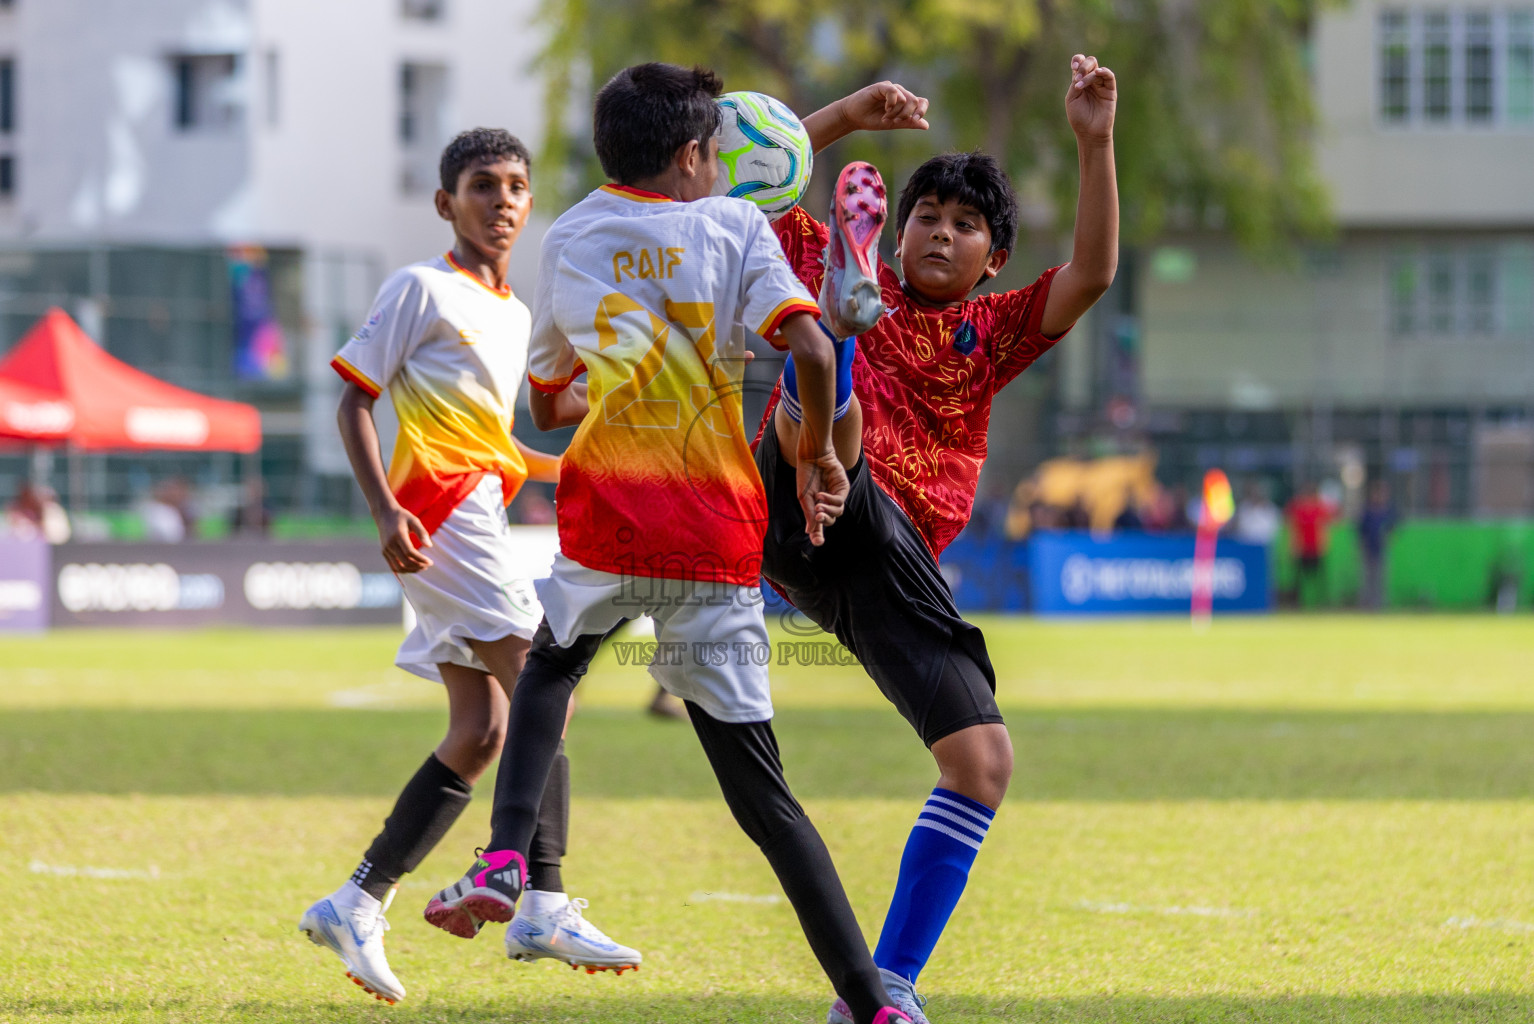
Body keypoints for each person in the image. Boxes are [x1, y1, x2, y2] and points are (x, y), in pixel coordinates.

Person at [422, 63, 909, 1024]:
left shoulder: (573, 233)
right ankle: (872, 1002)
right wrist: (817, 461)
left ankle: (509, 851)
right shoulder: (734, 226)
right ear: (693, 155)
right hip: (712, 527)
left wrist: (623, 370)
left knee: (552, 670)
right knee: (765, 799)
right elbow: (811, 350)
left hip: (608, 511)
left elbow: (552, 399)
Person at [753, 57, 1118, 1022]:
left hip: (884, 566)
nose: (942, 234)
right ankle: (828, 340)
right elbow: (757, 173)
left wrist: (1095, 141)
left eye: (965, 226)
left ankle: (885, 990)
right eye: (925, 218)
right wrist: (848, 114)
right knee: (833, 391)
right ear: (895, 229)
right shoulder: (838, 241)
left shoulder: (994, 333)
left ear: (992, 258)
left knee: (982, 761)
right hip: (799, 497)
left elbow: (1091, 273)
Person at [299, 128, 637, 1005]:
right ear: (447, 203)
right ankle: (542, 897)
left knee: (485, 730)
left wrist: (608, 405)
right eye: (483, 185)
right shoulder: (419, 287)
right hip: (437, 519)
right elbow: (352, 402)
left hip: (473, 509)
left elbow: (504, 438)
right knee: (542, 684)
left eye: (517, 185)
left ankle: (359, 897)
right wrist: (385, 510)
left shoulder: (517, 310)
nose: (504, 200)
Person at [1286, 480, 1333, 606]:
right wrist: (1294, 546)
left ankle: (1320, 601)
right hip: (1302, 547)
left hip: (1315, 547)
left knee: (1318, 577)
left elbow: (1324, 528)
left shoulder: (1319, 507)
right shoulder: (1297, 507)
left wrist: (1324, 544)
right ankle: (1298, 602)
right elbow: (1293, 528)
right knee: (1299, 577)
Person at [1357, 479, 1396, 609]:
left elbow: (1394, 526)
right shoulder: (1367, 511)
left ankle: (1378, 605)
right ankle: (1366, 605)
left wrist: (1389, 536)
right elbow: (1360, 529)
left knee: (1380, 579)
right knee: (1366, 579)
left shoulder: (1388, 511)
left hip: (1381, 549)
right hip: (1368, 549)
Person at [1232, 479, 1280, 547]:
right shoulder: (1242, 508)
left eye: (1256, 491)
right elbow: (1236, 529)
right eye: (1251, 492)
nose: (1254, 494)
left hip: (1266, 547)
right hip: (1245, 547)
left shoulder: (1271, 510)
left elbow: (1276, 531)